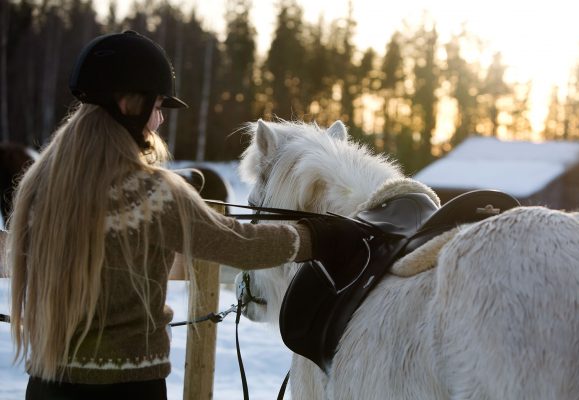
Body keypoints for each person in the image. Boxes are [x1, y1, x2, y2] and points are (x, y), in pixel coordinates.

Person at [7, 31, 368, 399]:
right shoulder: (150, 194)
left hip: (46, 383)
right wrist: (319, 237)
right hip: (130, 386)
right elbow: (239, 244)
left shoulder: (40, 185)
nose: (160, 120)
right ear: (129, 103)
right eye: (158, 105)